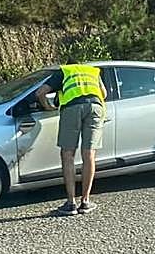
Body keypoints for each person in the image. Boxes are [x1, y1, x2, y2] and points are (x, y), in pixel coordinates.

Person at [35, 63, 107, 215]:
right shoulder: (92, 71)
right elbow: (104, 93)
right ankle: (86, 201)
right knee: (89, 155)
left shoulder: (64, 71)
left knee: (68, 155)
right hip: (96, 107)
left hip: (72, 108)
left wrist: (48, 107)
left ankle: (71, 203)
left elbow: (40, 93)